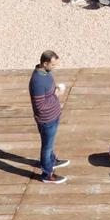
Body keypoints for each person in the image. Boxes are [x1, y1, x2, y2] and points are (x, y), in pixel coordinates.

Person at [30, 50, 70, 185]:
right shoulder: (37, 81)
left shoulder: (45, 73)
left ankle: (52, 161)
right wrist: (57, 94)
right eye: (53, 65)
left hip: (53, 115)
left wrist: (54, 91)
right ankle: (47, 173)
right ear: (45, 63)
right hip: (47, 119)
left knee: (49, 143)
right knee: (46, 147)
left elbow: (48, 93)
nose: (54, 68)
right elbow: (40, 106)